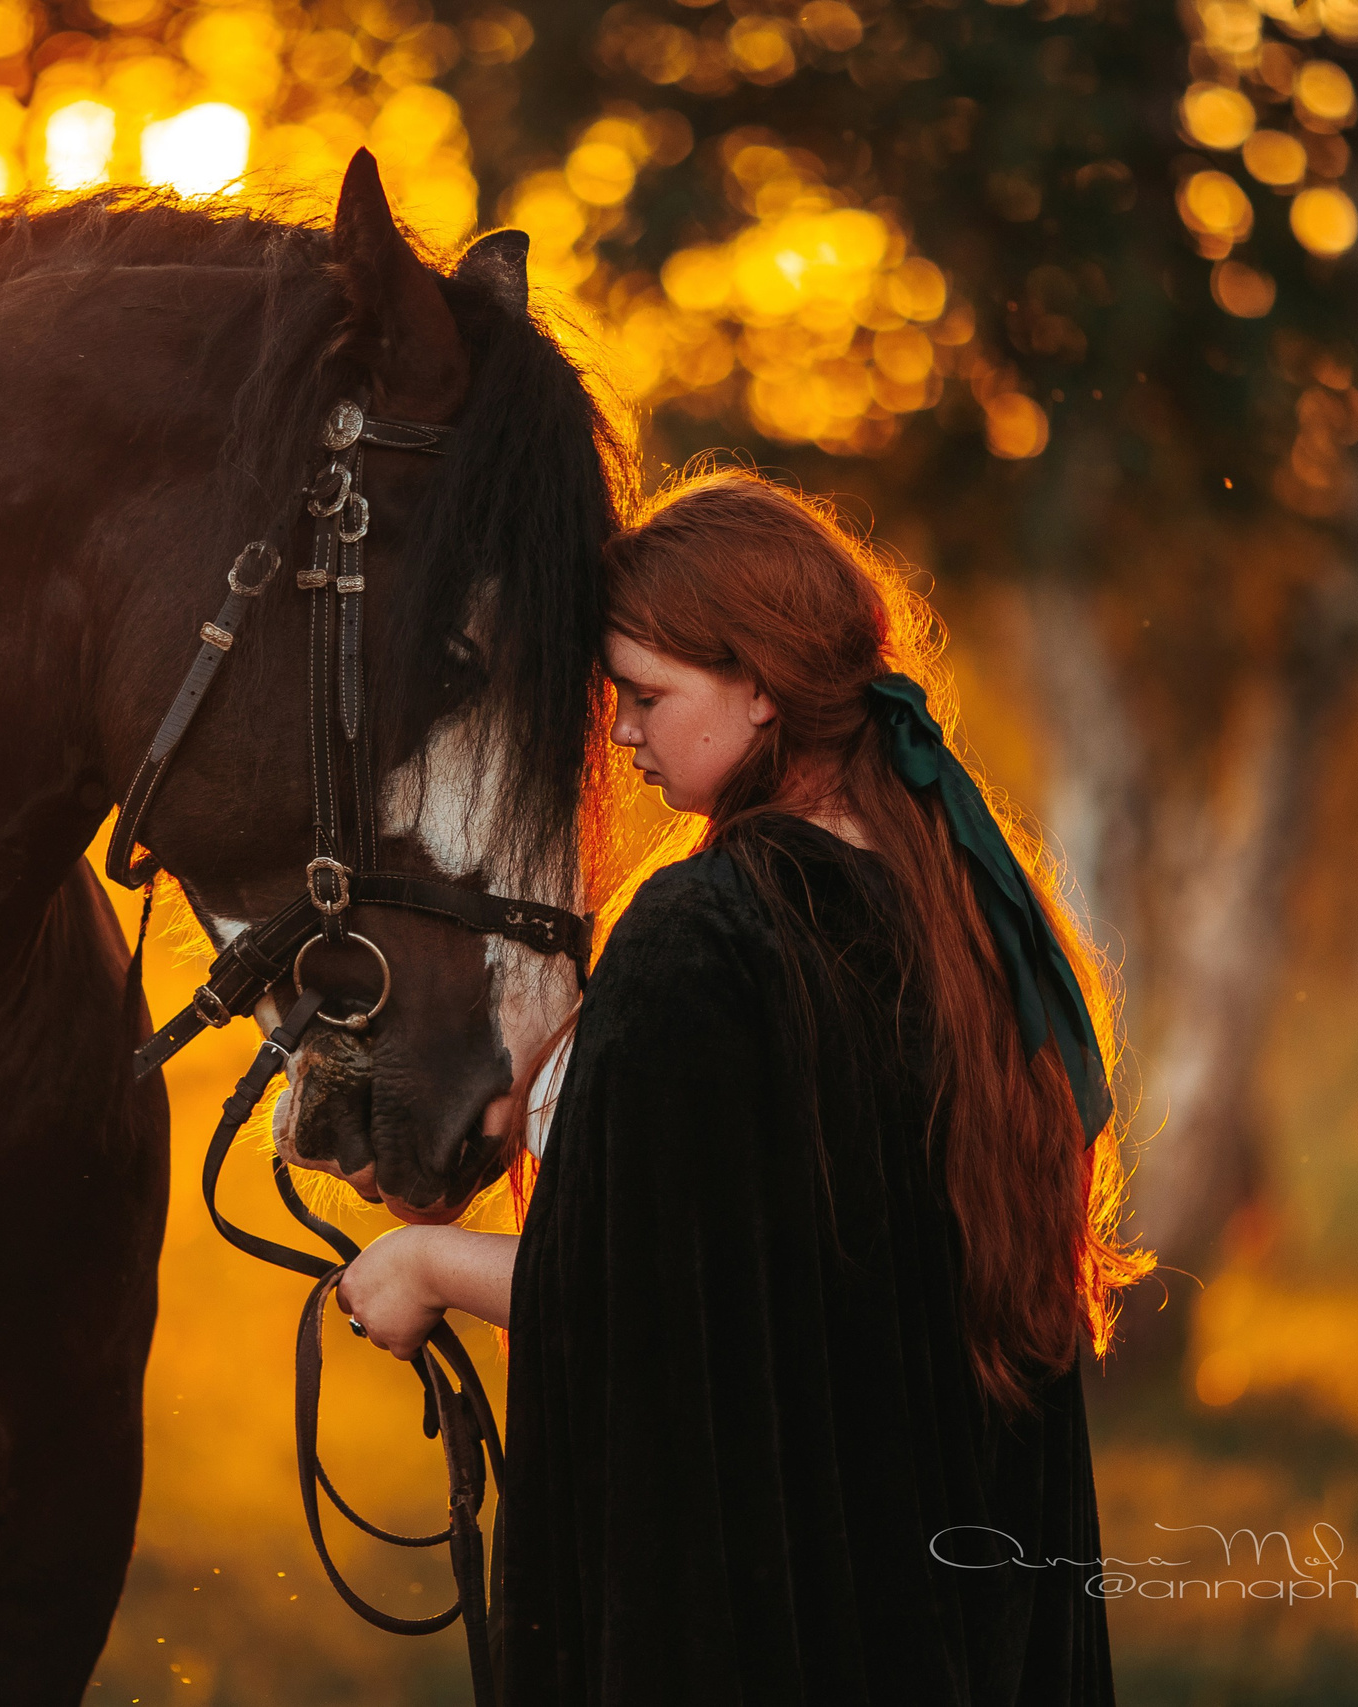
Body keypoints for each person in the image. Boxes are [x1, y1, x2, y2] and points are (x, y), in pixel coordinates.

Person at [334, 467, 1148, 1705]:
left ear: (761, 688)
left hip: (789, 1618)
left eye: (646, 695)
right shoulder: (964, 906)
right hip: (956, 1604)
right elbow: (795, 1261)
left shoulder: (711, 929)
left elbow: (643, 1304)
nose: (618, 734)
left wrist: (425, 1268)